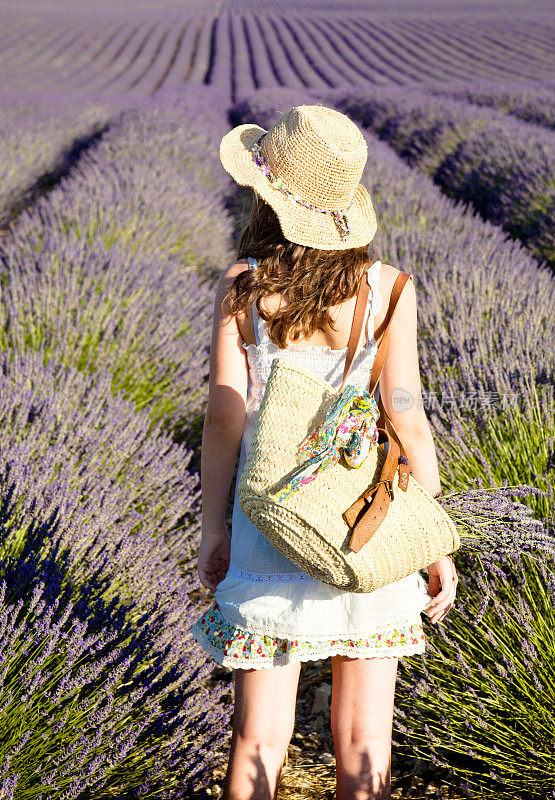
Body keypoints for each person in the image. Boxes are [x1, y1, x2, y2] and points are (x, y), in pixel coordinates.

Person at [190, 105, 458, 800]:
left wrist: (213, 528)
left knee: (257, 737)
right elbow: (407, 418)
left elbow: (225, 416)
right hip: (363, 525)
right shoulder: (389, 289)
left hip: (268, 524)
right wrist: (432, 541)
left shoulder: (245, 284)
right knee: (365, 739)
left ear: (267, 196)